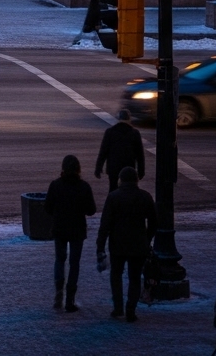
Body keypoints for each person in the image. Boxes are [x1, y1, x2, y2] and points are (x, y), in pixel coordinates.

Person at [96, 166, 156, 321]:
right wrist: (147, 238)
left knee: (116, 275)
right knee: (134, 277)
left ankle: (118, 307)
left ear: (120, 180)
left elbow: (105, 225)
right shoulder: (145, 197)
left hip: (118, 244)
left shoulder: (114, 197)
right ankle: (131, 309)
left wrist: (100, 246)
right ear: (136, 180)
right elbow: (154, 222)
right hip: (138, 244)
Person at [44, 154, 97, 312]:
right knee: (75, 263)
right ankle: (70, 299)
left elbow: (47, 208)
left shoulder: (55, 185)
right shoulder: (84, 187)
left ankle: (59, 292)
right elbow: (91, 210)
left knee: (59, 260)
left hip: (60, 228)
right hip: (77, 230)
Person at [95, 110, 145, 192]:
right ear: (129, 119)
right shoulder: (135, 133)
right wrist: (141, 171)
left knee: (113, 189)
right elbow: (140, 155)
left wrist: (98, 167)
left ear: (119, 119)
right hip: (129, 167)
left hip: (113, 168)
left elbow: (103, 151)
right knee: (129, 190)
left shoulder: (110, 132)